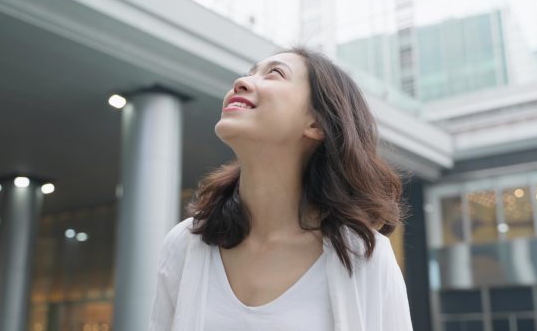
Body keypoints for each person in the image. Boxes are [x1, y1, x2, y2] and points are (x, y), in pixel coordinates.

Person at [149, 47, 414, 331]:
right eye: (249, 73)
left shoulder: (365, 257)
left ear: (316, 123)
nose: (241, 82)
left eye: (274, 74)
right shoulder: (185, 245)